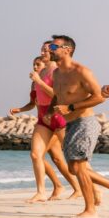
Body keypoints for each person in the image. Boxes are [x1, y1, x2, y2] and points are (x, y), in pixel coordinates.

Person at [46, 35, 106, 218]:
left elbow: (99, 97)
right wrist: (51, 111)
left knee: (79, 167)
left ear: (67, 50)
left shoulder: (81, 71)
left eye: (54, 46)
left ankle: (90, 209)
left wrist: (70, 107)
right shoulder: (56, 73)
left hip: (86, 122)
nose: (50, 49)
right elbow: (57, 95)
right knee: (73, 168)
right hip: (70, 124)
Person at [9, 50, 80, 202]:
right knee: (53, 158)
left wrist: (40, 82)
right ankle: (59, 187)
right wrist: (20, 109)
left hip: (57, 118)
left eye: (38, 64)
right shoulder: (35, 82)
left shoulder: (53, 75)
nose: (35, 67)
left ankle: (84, 187)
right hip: (43, 120)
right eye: (34, 64)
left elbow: (57, 95)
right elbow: (32, 103)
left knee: (69, 157)